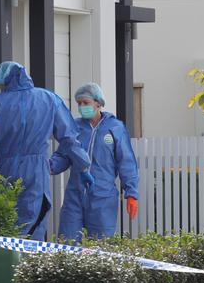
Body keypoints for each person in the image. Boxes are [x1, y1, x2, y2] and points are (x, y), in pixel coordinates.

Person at [0, 61, 91, 240]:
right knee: (34, 224)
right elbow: (69, 138)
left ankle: (10, 266)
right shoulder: (49, 99)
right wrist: (83, 165)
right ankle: (29, 266)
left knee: (7, 226)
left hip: (4, 171)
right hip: (36, 171)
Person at [50, 82, 139, 242]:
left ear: (98, 103)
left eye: (86, 103)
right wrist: (48, 166)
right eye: (79, 103)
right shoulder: (74, 127)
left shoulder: (115, 128)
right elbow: (63, 156)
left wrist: (131, 193)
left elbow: (126, 162)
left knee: (100, 247)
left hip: (103, 198)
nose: (82, 106)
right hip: (74, 197)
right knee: (67, 244)